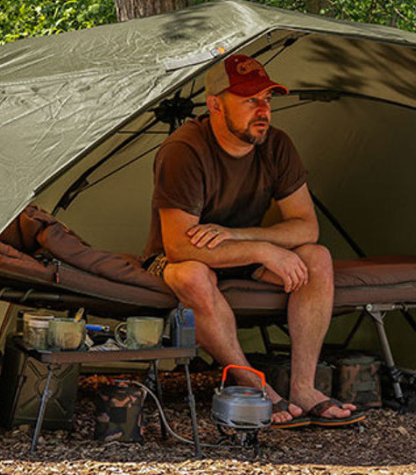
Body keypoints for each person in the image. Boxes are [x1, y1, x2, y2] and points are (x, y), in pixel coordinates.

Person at [143, 54, 363, 428]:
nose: (263, 110)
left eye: (268, 99)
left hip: (240, 254)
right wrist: (264, 249)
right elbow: (179, 246)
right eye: (249, 100)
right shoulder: (184, 150)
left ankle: (304, 388)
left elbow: (306, 226)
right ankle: (253, 383)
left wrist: (242, 236)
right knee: (193, 275)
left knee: (317, 257)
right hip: (177, 257)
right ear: (214, 105)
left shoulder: (276, 145)